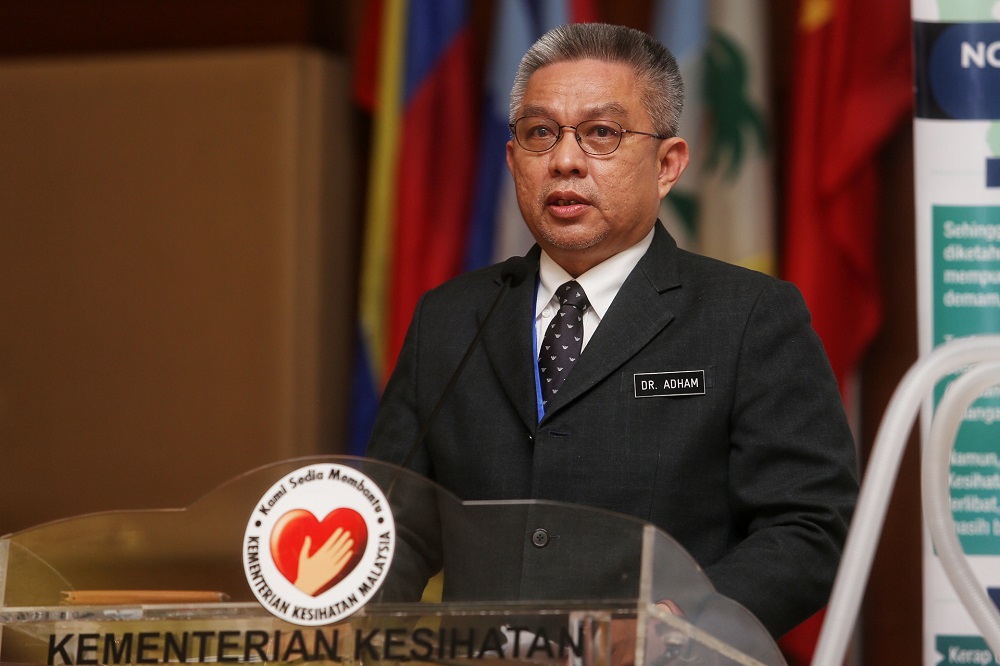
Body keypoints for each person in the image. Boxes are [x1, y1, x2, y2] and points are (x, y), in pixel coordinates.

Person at [367, 22, 858, 641]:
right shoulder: (450, 316)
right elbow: (395, 527)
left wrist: (678, 628)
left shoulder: (750, 315)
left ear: (668, 164)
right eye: (540, 133)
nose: (565, 160)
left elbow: (809, 524)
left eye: (601, 133)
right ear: (514, 157)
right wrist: (364, 630)